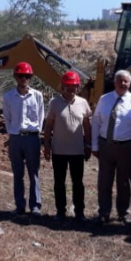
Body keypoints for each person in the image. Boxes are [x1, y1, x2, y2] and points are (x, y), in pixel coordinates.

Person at [91, 70, 131, 224]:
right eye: (120, 80)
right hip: (106, 146)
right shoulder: (104, 99)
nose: (123, 84)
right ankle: (104, 212)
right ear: (114, 82)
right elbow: (96, 122)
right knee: (104, 181)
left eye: (126, 81)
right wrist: (94, 145)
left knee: (125, 182)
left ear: (130, 83)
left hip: (126, 147)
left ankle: (124, 213)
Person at [43, 71, 92, 222]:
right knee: (59, 183)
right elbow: (49, 126)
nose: (71, 90)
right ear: (62, 87)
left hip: (77, 151)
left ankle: (79, 212)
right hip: (59, 151)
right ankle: (60, 211)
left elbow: (87, 126)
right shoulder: (54, 103)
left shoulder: (83, 103)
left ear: (78, 87)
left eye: (74, 87)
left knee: (78, 183)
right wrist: (47, 146)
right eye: (68, 87)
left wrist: (88, 145)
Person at [2, 62, 45, 217]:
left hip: (32, 138)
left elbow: (41, 117)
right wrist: (12, 133)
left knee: (33, 173)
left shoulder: (37, 96)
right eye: (20, 76)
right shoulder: (8, 97)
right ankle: (20, 206)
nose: (23, 79)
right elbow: (7, 117)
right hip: (15, 139)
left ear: (30, 77)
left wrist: (37, 135)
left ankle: (35, 206)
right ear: (15, 77)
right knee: (17, 174)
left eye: (26, 76)